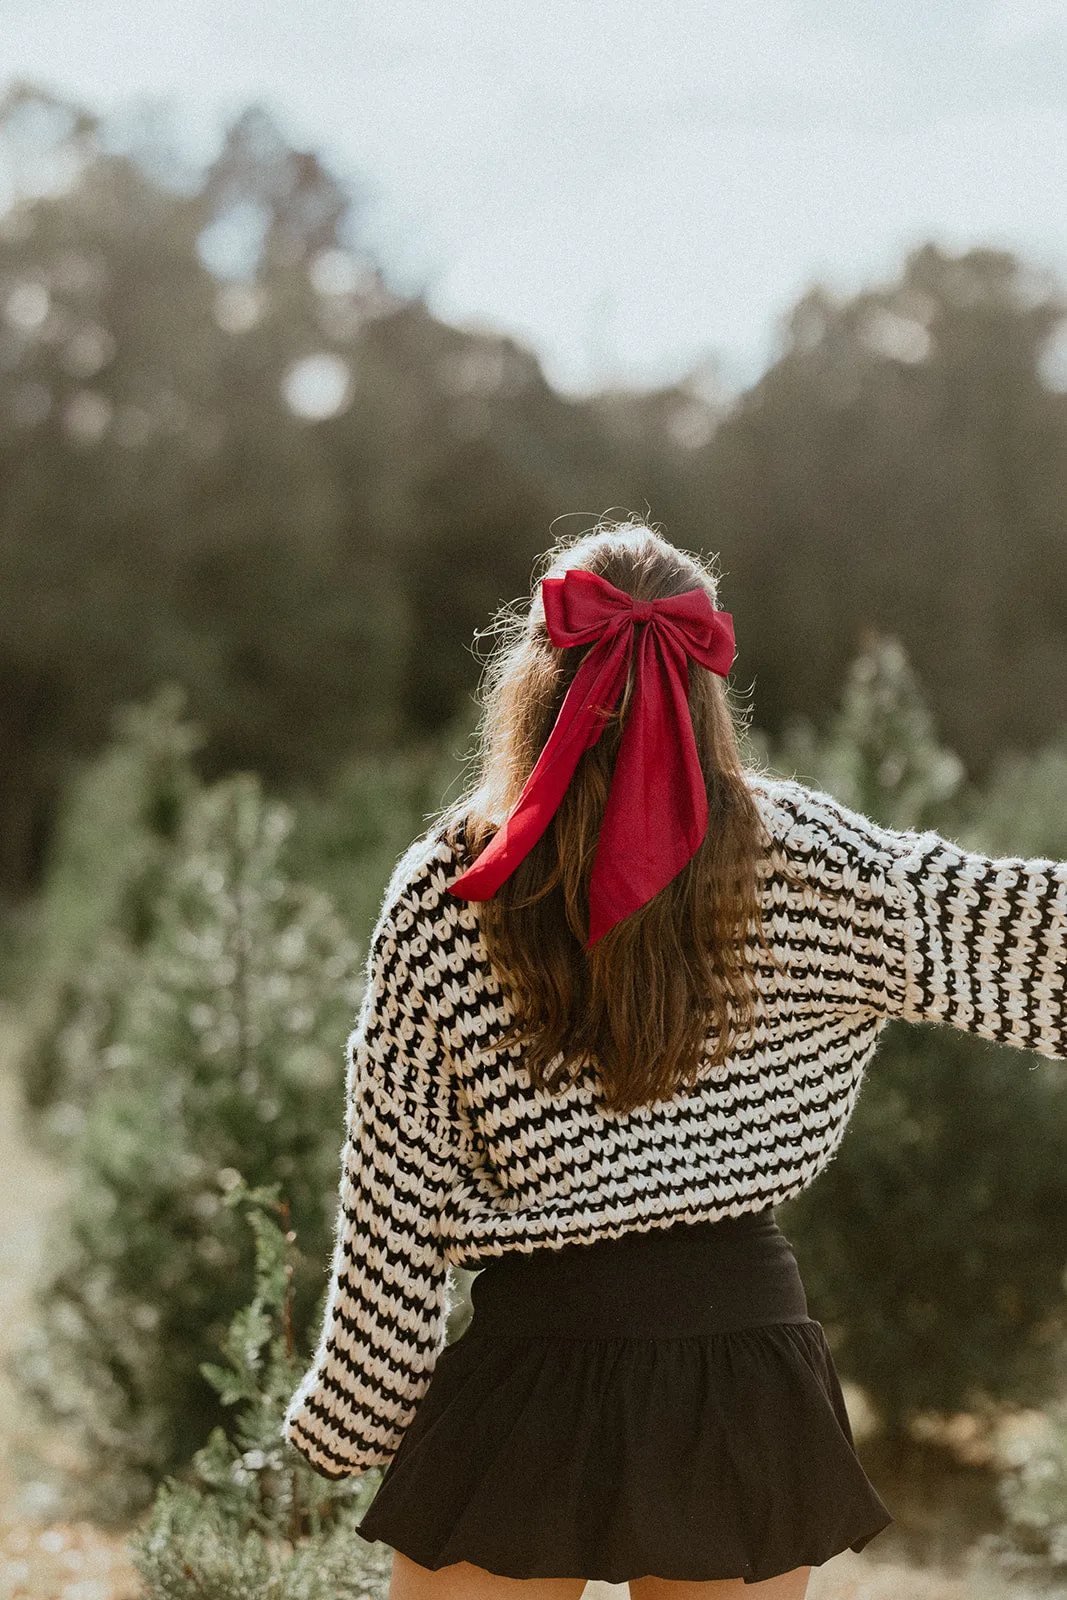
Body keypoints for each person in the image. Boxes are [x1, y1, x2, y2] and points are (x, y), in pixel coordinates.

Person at [283, 518, 1067, 1600]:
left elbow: (393, 1186)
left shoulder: (452, 886)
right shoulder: (815, 862)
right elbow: (1036, 939)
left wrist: (356, 1410)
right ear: (704, 689)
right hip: (741, 1367)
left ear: (534, 684)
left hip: (531, 1360)